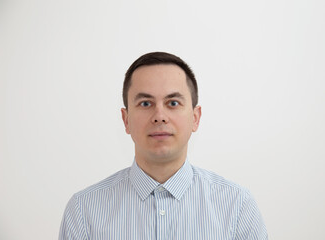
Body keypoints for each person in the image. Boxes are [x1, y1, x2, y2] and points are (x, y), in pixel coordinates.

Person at [59, 52, 268, 239]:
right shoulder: (84, 211)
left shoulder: (237, 207)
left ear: (195, 118)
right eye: (146, 103)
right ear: (126, 120)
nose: (159, 116)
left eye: (173, 103)